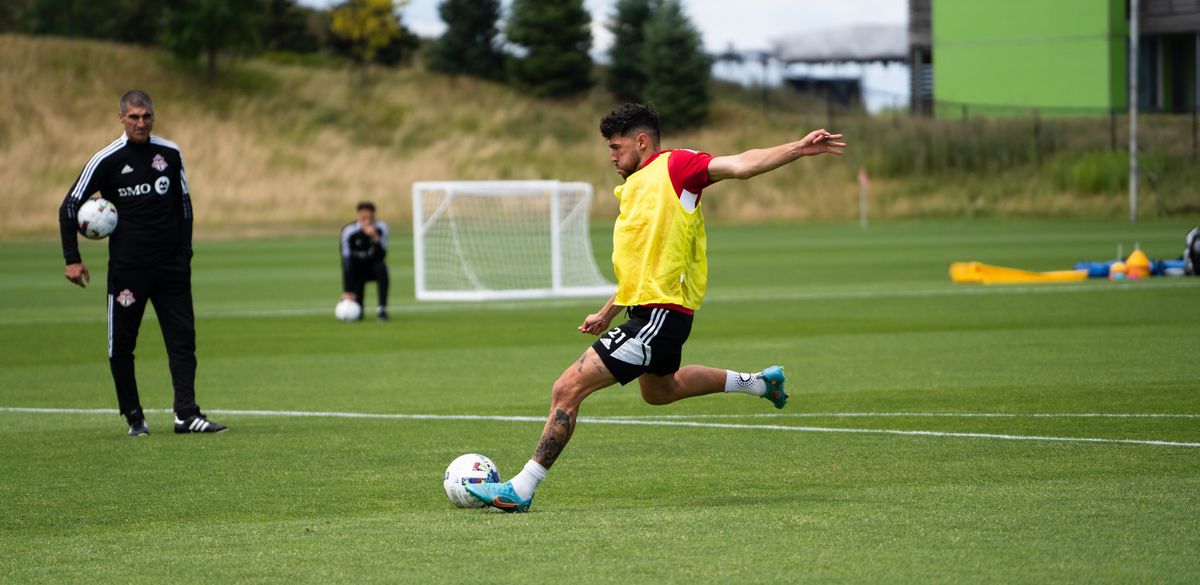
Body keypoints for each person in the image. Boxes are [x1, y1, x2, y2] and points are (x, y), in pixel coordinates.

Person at [466, 103, 846, 512]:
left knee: (566, 389)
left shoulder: (677, 167)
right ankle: (759, 382)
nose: (611, 156)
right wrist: (608, 312)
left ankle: (520, 490)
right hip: (653, 314)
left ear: (641, 141)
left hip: (661, 315)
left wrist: (797, 148)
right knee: (661, 391)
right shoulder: (635, 187)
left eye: (616, 147)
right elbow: (643, 266)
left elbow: (740, 164)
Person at [58, 90, 227, 437]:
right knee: (121, 345)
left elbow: (184, 206)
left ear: (153, 116)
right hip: (129, 270)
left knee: (183, 340)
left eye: (146, 116)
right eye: (133, 116)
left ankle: (186, 414)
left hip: (171, 268)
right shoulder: (106, 159)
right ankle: (134, 417)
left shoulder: (169, 152)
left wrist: (185, 254)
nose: (141, 122)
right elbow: (69, 207)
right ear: (121, 118)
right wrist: (72, 259)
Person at [340, 201, 391, 321]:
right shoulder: (349, 231)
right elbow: (346, 261)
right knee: (358, 314)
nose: (367, 221)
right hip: (356, 270)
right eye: (363, 217)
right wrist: (347, 290)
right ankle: (357, 306)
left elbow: (381, 256)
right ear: (358, 216)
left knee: (382, 268)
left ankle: (382, 310)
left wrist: (375, 238)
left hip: (373, 268)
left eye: (370, 218)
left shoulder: (381, 228)